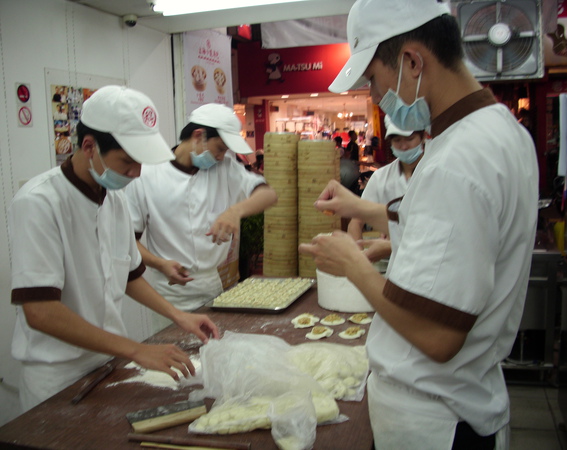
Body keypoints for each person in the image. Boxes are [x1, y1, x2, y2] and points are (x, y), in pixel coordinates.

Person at [299, 1, 539, 448]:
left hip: (437, 420)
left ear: (412, 61)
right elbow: (456, 225)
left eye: (373, 78)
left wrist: (355, 266)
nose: (373, 95)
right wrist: (369, 210)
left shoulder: (457, 160)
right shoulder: (500, 131)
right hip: (464, 399)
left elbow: (437, 335)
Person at [8, 86, 220, 413]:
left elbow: (129, 276)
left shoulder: (115, 200)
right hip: (57, 377)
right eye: (126, 162)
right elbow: (40, 312)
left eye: (140, 163)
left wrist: (179, 316)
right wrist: (136, 349)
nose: (136, 173)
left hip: (107, 362)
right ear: (90, 146)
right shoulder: (40, 202)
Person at [125, 103, 277, 333]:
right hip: (169, 292)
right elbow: (129, 241)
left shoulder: (225, 168)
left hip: (212, 286)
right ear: (198, 136)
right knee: (175, 358)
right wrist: (159, 264)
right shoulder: (148, 174)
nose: (220, 156)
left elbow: (269, 194)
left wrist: (236, 211)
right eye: (219, 148)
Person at [347, 115, 425, 264]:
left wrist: (392, 245)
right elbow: (356, 221)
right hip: (391, 265)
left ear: (422, 137)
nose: (403, 146)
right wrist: (360, 258)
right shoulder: (381, 178)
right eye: (397, 140)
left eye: (409, 139)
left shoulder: (436, 173)